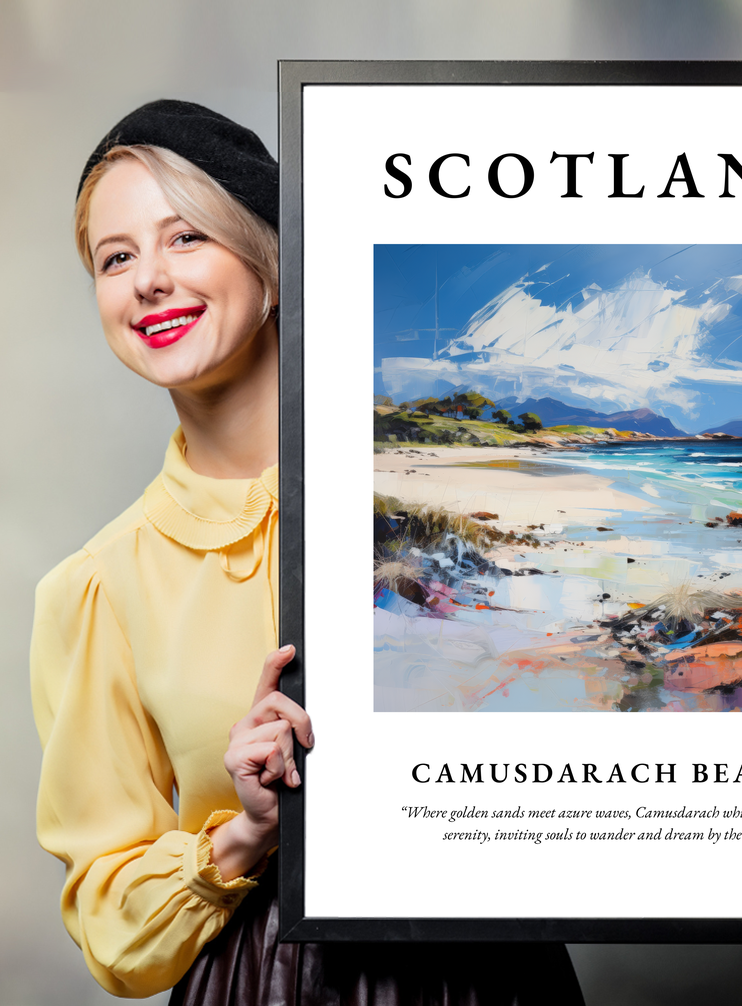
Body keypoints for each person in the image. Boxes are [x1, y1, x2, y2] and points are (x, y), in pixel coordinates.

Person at [30, 100, 586, 1004]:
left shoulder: (445, 506)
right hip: (263, 981)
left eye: (185, 238)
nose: (148, 281)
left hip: (493, 973)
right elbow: (110, 924)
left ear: (273, 263)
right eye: (116, 257)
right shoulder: (97, 586)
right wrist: (245, 832)